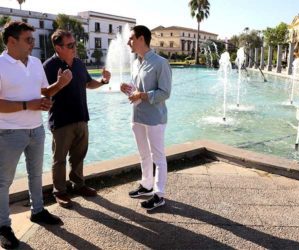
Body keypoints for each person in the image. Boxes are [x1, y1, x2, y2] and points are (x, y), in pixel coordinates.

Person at [0, 21, 72, 249]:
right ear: (12, 41)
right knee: (3, 182)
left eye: (32, 39)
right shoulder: (0, 65)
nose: (33, 43)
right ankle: (3, 227)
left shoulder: (35, 62)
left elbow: (43, 91)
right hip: (8, 131)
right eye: (28, 40)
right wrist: (26, 105)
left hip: (36, 129)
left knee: (36, 175)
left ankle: (38, 211)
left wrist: (59, 85)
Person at [43, 29, 111, 209]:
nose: (75, 47)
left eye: (75, 44)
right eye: (70, 45)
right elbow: (43, 92)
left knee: (79, 156)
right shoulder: (49, 66)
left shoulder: (79, 64)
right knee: (59, 159)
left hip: (81, 118)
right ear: (58, 47)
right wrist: (59, 84)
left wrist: (103, 81)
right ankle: (60, 191)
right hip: (61, 121)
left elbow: (88, 84)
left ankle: (78, 185)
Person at [120, 25, 172, 210]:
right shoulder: (136, 63)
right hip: (137, 115)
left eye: (131, 38)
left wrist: (142, 95)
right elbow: (136, 87)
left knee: (158, 156)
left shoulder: (160, 63)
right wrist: (127, 88)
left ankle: (159, 194)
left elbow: (165, 93)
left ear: (142, 39)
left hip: (155, 118)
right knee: (143, 154)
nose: (128, 42)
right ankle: (146, 185)